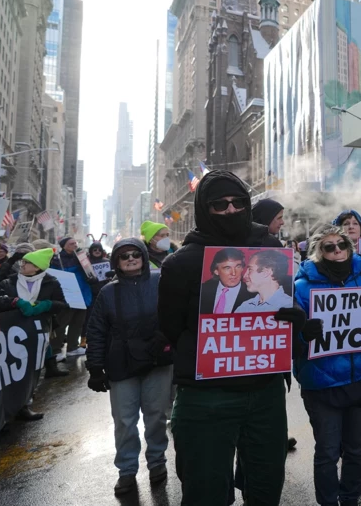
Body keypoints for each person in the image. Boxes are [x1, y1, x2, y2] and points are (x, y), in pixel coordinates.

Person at [158, 170, 287, 506]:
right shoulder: (181, 264)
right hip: (205, 396)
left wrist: (296, 318)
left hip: (265, 391)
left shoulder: (270, 249)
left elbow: (286, 306)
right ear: (205, 209)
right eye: (220, 205)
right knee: (206, 493)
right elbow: (170, 327)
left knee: (266, 486)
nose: (231, 210)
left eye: (238, 202)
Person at [292, 225, 361, 506]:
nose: (337, 250)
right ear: (319, 251)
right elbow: (288, 341)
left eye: (341, 244)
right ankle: (329, 502)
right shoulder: (301, 288)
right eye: (329, 246)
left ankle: (351, 499)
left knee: (355, 450)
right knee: (328, 452)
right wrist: (303, 333)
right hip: (322, 384)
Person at [86, 238, 173, 496]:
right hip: (121, 364)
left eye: (136, 254)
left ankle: (157, 462)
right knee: (124, 420)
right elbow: (97, 330)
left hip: (157, 360)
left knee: (156, 415)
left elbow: (179, 312)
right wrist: (95, 367)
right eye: (124, 256)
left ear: (144, 257)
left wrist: (168, 336)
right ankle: (126, 471)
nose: (131, 259)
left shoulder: (161, 281)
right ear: (117, 262)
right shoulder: (108, 292)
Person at [0, 248, 70, 415]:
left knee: (31, 370)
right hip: (12, 335)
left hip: (38, 334)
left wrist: (46, 305)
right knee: (11, 369)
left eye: (26, 262)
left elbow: (62, 304)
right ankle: (6, 409)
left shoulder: (51, 282)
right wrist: (15, 302)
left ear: (36, 267)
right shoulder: (10, 282)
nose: (22, 264)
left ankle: (25, 404)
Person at [50, 236, 95, 358]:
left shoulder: (81, 257)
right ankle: (56, 349)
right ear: (64, 246)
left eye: (75, 243)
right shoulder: (57, 259)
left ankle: (72, 347)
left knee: (78, 322)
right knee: (62, 322)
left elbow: (90, 273)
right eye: (71, 244)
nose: (75, 245)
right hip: (68, 294)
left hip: (83, 293)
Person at [199, 247, 254, 313]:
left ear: (242, 268)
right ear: (216, 271)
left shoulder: (253, 295)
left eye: (238, 266)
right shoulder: (203, 290)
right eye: (227, 268)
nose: (233, 273)